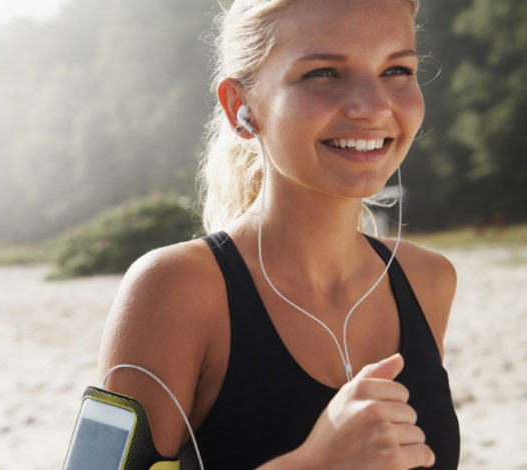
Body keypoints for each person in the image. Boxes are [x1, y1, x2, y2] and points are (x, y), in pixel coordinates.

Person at [97, 0, 460, 468]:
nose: (373, 107)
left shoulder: (428, 280)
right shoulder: (173, 289)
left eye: (397, 70)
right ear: (240, 106)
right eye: (324, 73)